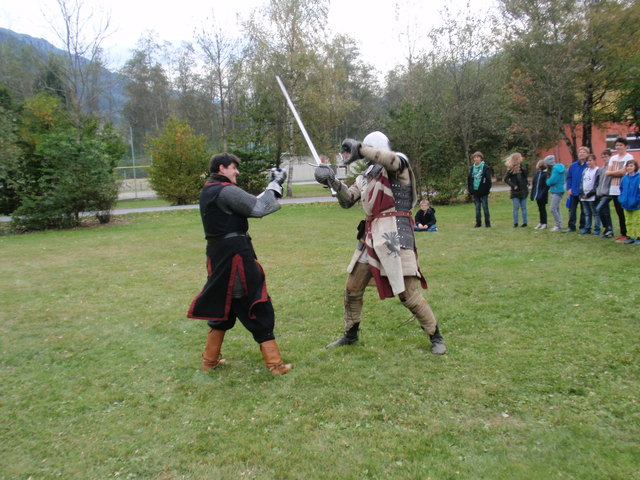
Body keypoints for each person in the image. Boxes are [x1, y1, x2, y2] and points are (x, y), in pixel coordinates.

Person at [314, 131, 446, 355]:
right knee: (352, 288)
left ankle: (436, 336)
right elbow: (348, 199)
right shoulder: (366, 175)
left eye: (366, 150)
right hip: (371, 236)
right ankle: (351, 334)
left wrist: (360, 149)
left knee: (408, 294)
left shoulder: (397, 163)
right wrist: (332, 181)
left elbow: (390, 160)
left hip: (395, 234)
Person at [187, 153, 293, 375]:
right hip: (234, 257)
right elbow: (258, 208)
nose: (237, 172)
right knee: (254, 301)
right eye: (233, 168)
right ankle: (274, 365)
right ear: (221, 168)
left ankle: (209, 360)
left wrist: (272, 185)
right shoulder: (225, 190)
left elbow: (248, 203)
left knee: (223, 305)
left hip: (219, 256)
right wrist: (275, 184)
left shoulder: (210, 189)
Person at [606, 137, 634, 242]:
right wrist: (615, 173)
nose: (618, 147)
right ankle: (623, 233)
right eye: (617, 145)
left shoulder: (629, 157)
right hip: (614, 188)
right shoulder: (613, 158)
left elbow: (624, 172)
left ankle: (628, 233)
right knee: (618, 211)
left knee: (625, 212)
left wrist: (613, 172)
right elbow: (607, 172)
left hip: (624, 188)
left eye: (620, 145)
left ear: (626, 146)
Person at [563, 146, 589, 233]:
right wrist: (568, 188)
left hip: (583, 192)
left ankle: (583, 226)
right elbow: (569, 177)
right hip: (573, 191)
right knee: (572, 210)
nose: (581, 154)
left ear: (587, 154)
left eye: (583, 152)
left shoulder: (588, 165)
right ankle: (571, 226)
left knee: (584, 210)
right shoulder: (573, 165)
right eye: (580, 152)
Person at [503, 152, 529, 227]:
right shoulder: (510, 169)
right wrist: (513, 185)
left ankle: (525, 222)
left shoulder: (522, 167)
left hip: (523, 190)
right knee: (516, 207)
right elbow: (505, 179)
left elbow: (526, 175)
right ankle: (516, 223)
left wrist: (521, 169)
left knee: (524, 207)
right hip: (515, 191)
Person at [467, 151, 492, 228]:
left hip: (483, 191)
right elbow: (469, 180)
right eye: (475, 157)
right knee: (477, 208)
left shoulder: (486, 167)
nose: (476, 159)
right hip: (475, 191)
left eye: (478, 157)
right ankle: (478, 223)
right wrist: (471, 189)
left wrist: (486, 189)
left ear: (481, 158)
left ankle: (487, 223)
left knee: (485, 208)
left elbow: (488, 180)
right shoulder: (472, 168)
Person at [618, 159, 640, 245]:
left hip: (637, 204)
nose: (629, 167)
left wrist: (637, 200)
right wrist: (621, 199)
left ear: (635, 167)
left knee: (638, 221)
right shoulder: (624, 178)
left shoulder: (638, 178)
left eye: (631, 166)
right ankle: (630, 236)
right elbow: (621, 189)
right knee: (628, 221)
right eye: (628, 166)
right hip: (626, 204)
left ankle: (638, 236)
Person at [578, 153, 600, 235]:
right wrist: (582, 193)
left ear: (594, 161)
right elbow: (581, 182)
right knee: (587, 213)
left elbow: (597, 185)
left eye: (590, 160)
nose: (588, 162)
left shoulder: (598, 170)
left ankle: (597, 228)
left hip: (592, 196)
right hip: (584, 196)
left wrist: (589, 194)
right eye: (587, 161)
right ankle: (587, 228)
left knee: (595, 213)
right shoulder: (585, 171)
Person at [595, 149, 614, 238]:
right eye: (602, 157)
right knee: (605, 212)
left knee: (598, 209)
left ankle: (608, 228)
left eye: (606, 156)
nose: (604, 158)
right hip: (600, 193)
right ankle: (608, 230)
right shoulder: (601, 169)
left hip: (608, 193)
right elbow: (599, 181)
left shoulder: (611, 168)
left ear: (610, 157)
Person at [545, 155, 566, 232]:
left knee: (553, 208)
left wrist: (547, 181)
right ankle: (559, 224)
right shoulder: (558, 168)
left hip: (557, 190)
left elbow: (551, 181)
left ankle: (558, 225)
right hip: (556, 190)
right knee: (556, 208)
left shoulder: (555, 170)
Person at [530, 157, 551, 229]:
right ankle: (541, 222)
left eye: (537, 164)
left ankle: (544, 223)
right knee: (540, 209)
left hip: (542, 195)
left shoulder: (545, 174)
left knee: (542, 209)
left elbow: (546, 186)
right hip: (537, 195)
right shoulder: (537, 173)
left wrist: (542, 194)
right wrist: (533, 194)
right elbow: (534, 184)